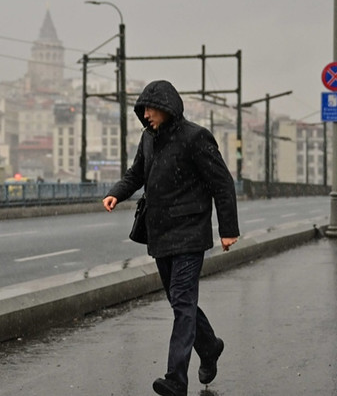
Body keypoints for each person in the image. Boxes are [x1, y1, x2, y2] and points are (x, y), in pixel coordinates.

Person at [102, 80, 239, 396]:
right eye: (143, 109)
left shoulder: (196, 137)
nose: (146, 114)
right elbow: (136, 173)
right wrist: (116, 193)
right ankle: (209, 346)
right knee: (181, 301)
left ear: (166, 107)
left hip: (190, 233)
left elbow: (222, 183)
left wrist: (228, 229)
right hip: (160, 233)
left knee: (181, 300)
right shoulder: (148, 139)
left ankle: (176, 379)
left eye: (150, 108)